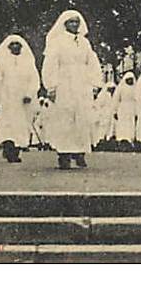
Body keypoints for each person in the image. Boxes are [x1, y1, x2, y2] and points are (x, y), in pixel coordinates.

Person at [41, 10, 103, 169]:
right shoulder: (58, 42)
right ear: (64, 24)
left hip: (82, 84)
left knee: (82, 117)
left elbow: (92, 63)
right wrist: (51, 86)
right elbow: (50, 64)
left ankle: (80, 152)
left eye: (77, 22)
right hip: (65, 84)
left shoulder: (84, 43)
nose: (75, 25)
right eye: (71, 22)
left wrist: (95, 83)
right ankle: (64, 154)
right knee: (65, 118)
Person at [0, 35, 40, 163]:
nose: (16, 47)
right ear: (9, 47)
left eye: (18, 44)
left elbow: (34, 80)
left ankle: (16, 150)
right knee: (7, 124)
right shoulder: (3, 63)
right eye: (13, 44)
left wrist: (29, 93)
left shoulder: (28, 63)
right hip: (7, 99)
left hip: (22, 100)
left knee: (20, 124)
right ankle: (8, 148)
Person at [113, 72, 138, 150]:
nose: (130, 81)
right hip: (122, 108)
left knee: (130, 125)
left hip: (131, 109)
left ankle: (130, 142)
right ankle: (122, 142)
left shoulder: (135, 88)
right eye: (128, 79)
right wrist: (115, 111)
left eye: (131, 79)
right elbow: (116, 100)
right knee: (122, 126)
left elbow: (137, 100)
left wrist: (137, 112)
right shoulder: (121, 88)